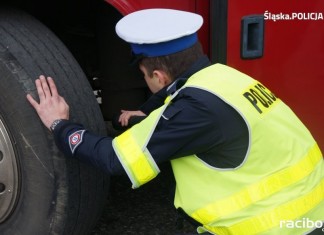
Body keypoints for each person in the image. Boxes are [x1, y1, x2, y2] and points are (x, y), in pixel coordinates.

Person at [26, 8, 324, 235]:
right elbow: (192, 115)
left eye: (144, 76)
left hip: (273, 226)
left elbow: (116, 160)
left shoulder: (194, 111)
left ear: (158, 76)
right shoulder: (225, 76)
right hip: (309, 210)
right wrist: (148, 119)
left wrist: (60, 125)